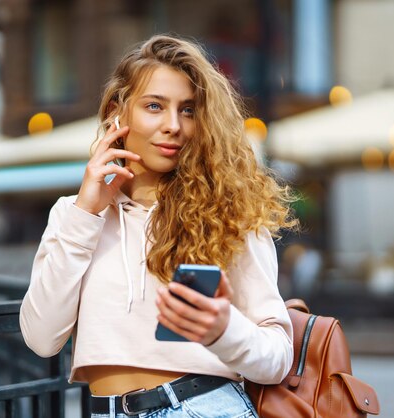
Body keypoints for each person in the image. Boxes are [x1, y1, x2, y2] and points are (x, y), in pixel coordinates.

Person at [19, 34, 297, 418]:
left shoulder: (224, 215)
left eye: (187, 110)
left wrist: (223, 329)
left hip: (203, 407)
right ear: (117, 112)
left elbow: (279, 356)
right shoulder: (74, 215)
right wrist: (86, 212)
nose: (173, 126)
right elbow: (41, 338)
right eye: (154, 106)